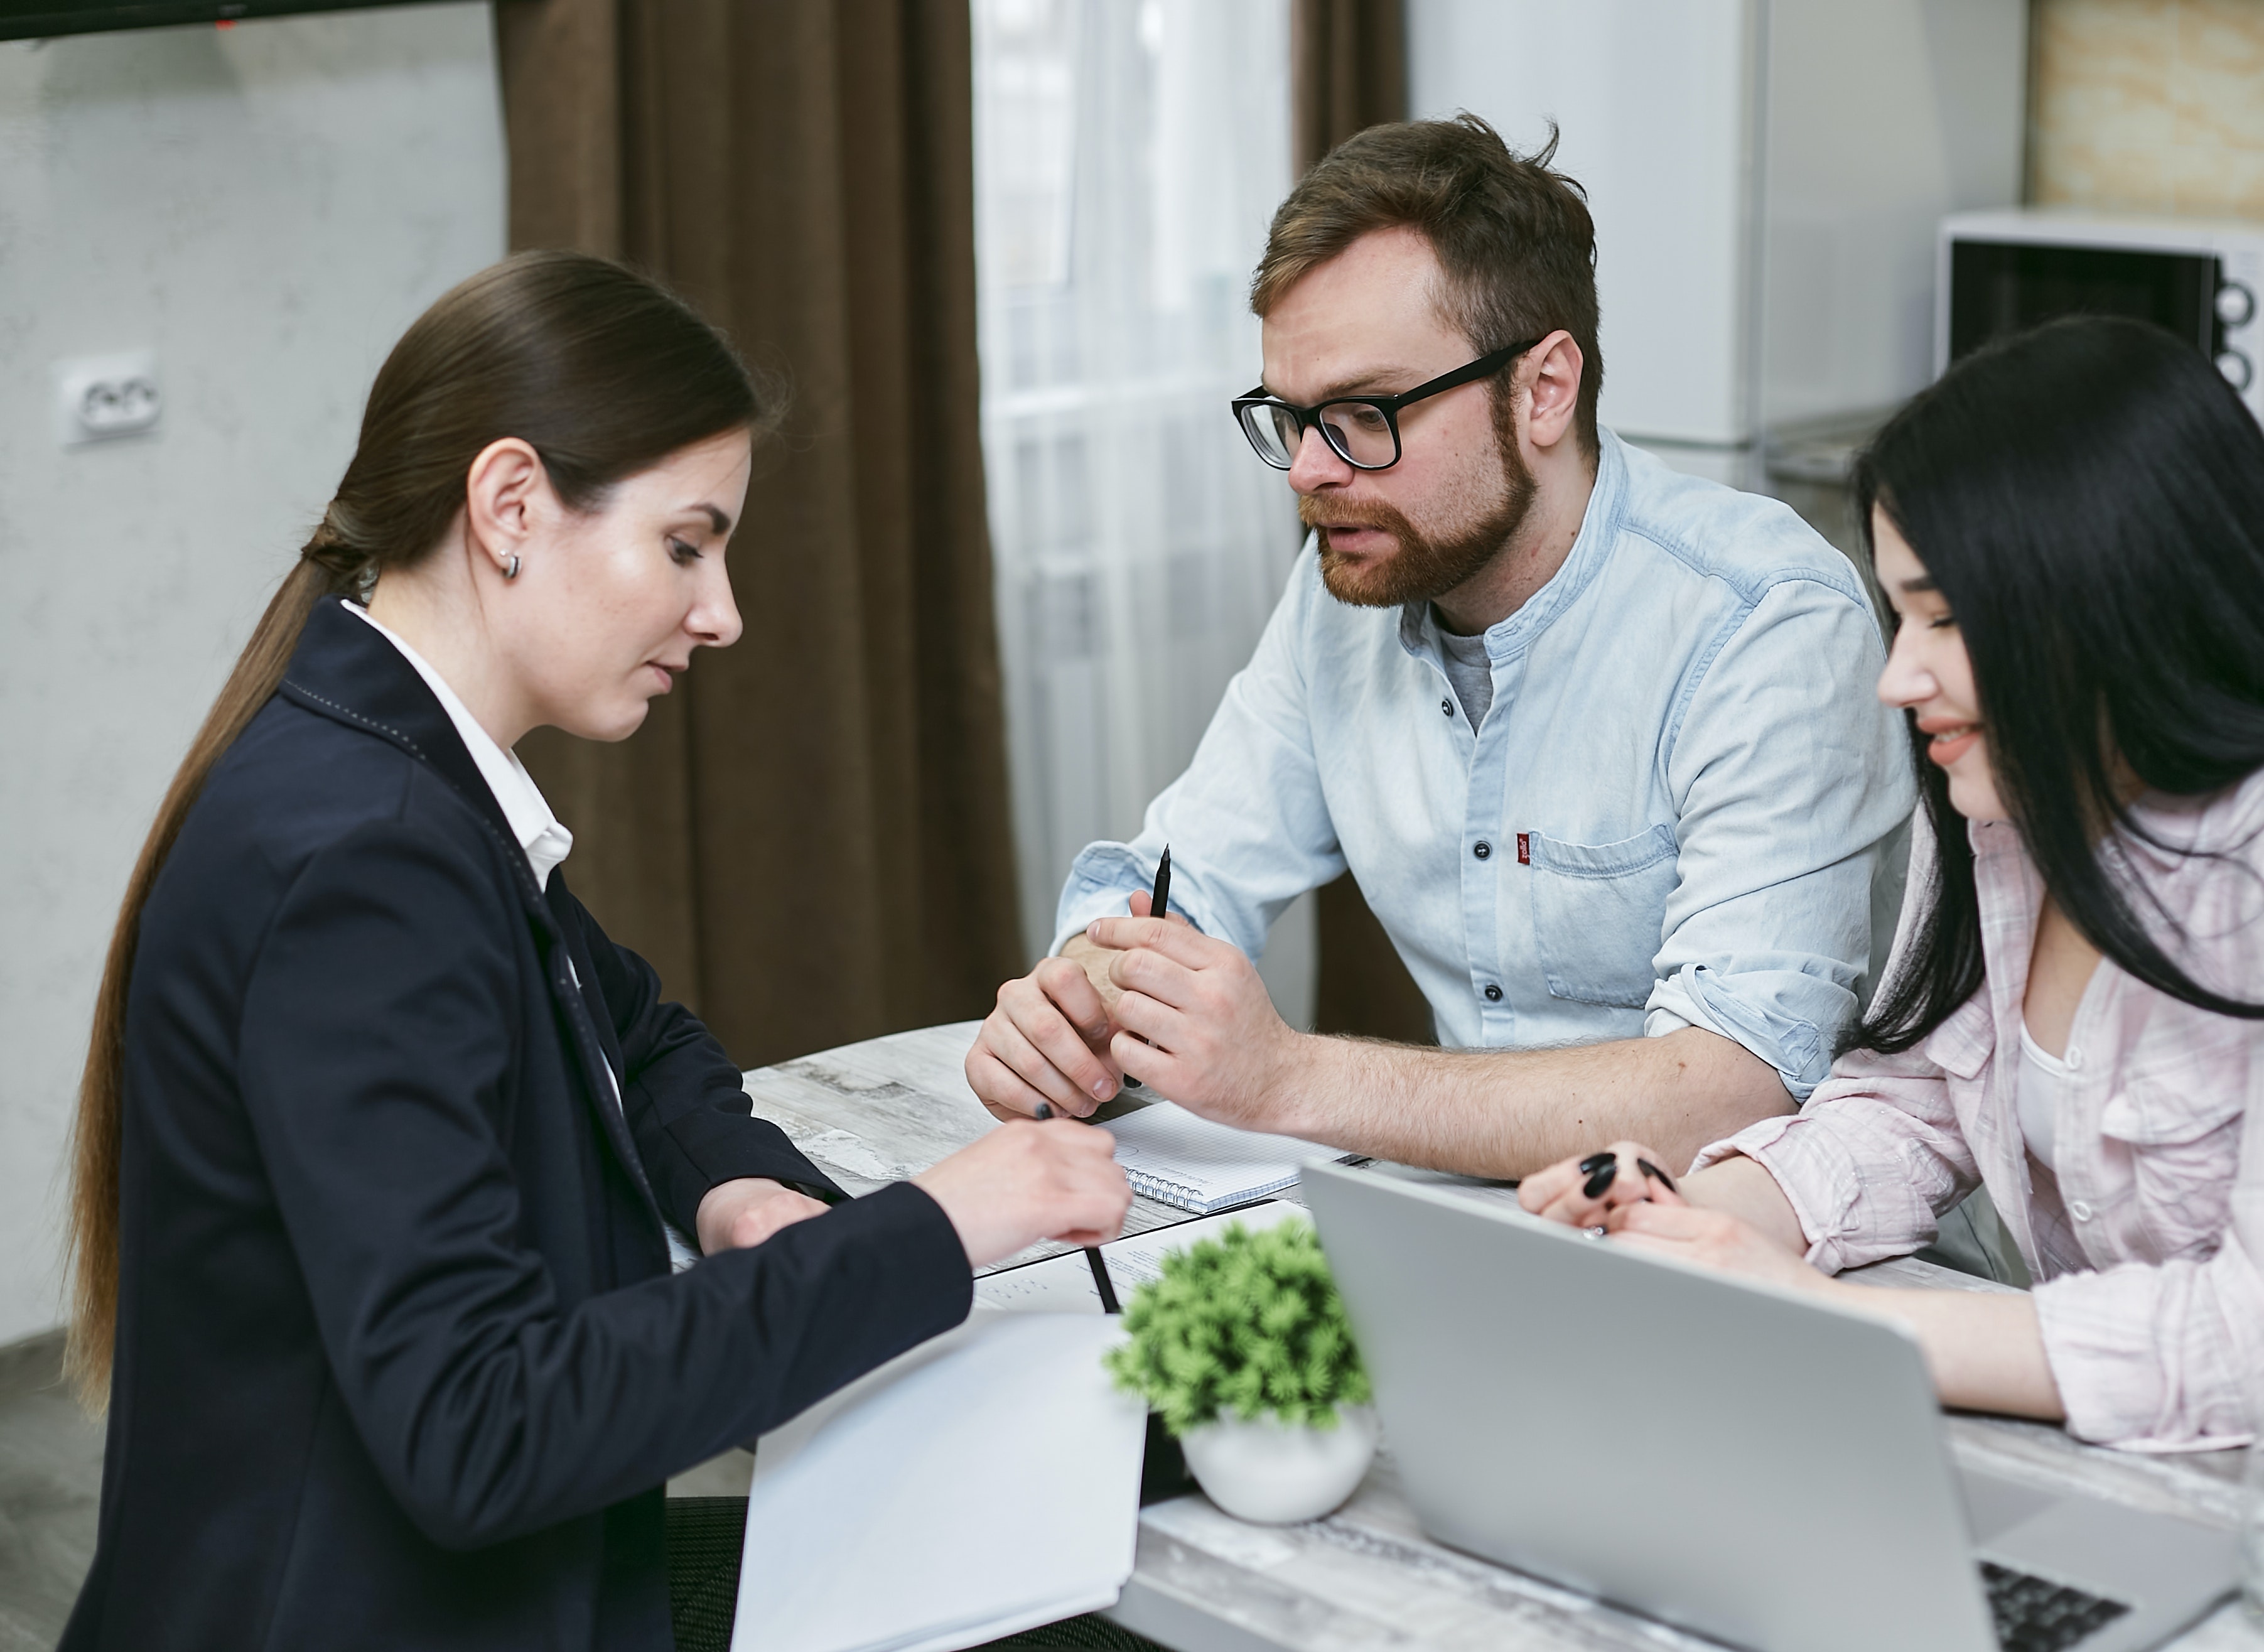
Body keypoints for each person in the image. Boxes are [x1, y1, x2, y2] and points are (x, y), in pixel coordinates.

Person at [58, 252, 1131, 1650]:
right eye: (687, 543)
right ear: (510, 506)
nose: (722, 610)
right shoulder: (368, 861)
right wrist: (937, 1222)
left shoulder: (397, 773)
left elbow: (628, 1024)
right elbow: (483, 1427)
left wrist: (736, 1184)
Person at [967, 116, 1914, 1178]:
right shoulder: (1348, 592)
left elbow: (1737, 1084)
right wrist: (1083, 992)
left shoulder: (1763, 621)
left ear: (1542, 389)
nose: (1307, 474)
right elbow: (1181, 880)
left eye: (1364, 414)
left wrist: (1287, 1079)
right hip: (1483, 1233)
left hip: (1772, 1251)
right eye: (1289, 418)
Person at [1520, 315, 2264, 1451]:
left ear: (2109, 596)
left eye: (1945, 620)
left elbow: (2240, 1337)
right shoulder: (2001, 809)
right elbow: (1909, 1107)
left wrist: (1833, 1323)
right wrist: (1695, 1219)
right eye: (1897, 613)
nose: (1895, 677)